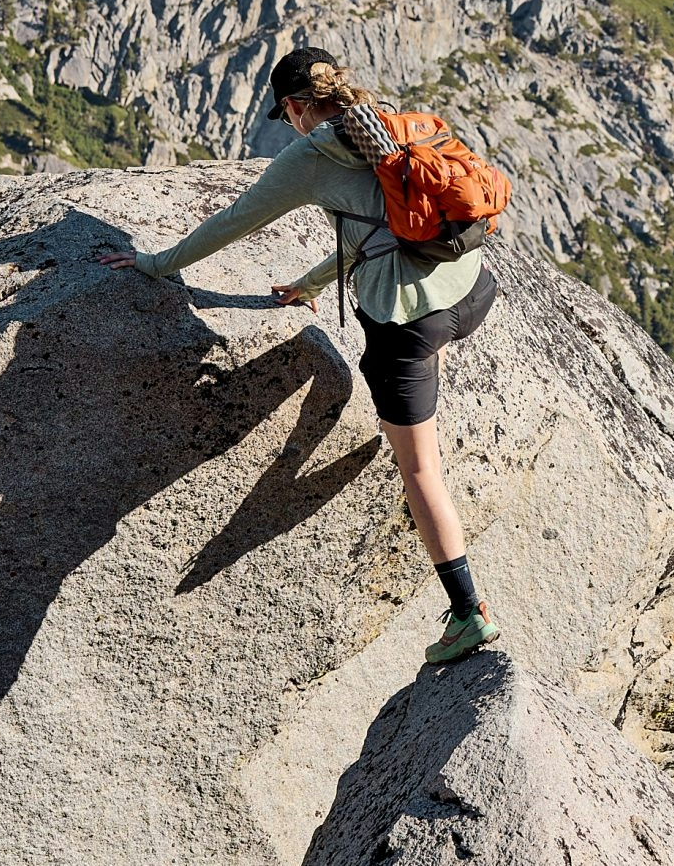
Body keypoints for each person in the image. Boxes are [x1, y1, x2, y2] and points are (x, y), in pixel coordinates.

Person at [93, 45, 504, 664]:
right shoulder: (384, 123)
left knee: (420, 472)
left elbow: (232, 223)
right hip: (471, 286)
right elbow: (386, 223)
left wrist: (155, 264)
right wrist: (314, 282)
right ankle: (421, 410)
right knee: (420, 374)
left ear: (293, 107)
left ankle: (467, 613)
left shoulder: (311, 154)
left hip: (409, 323)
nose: (289, 127)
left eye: (286, 118)